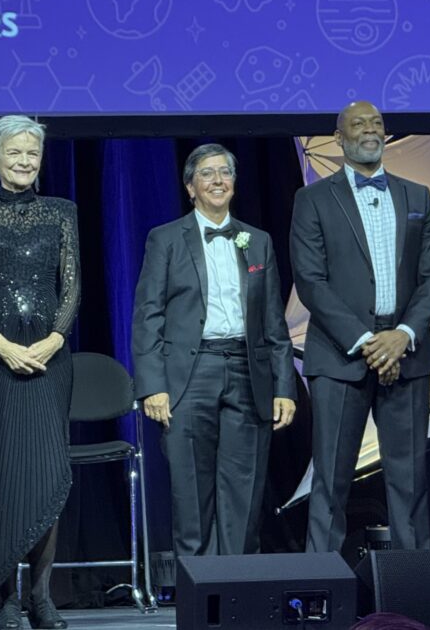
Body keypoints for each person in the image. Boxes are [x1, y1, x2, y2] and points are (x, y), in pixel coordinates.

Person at [290, 100, 430, 554]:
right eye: (358, 124)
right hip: (340, 356)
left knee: (410, 479)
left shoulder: (416, 195)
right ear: (339, 137)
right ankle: (322, 592)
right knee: (331, 479)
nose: (369, 130)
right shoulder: (313, 198)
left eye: (376, 123)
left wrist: (402, 336)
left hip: (408, 352)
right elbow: (310, 280)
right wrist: (367, 342)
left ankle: (415, 585)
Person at [132, 143, 297, 557]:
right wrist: (152, 386)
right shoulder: (166, 239)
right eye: (207, 173)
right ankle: (197, 599)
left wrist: (284, 386)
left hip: (247, 370)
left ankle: (238, 594)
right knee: (190, 492)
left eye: (225, 172)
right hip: (190, 373)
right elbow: (147, 315)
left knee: (243, 492)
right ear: (190, 187)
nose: (218, 180)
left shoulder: (256, 241)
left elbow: (274, 320)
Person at [0, 115, 80, 630]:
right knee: (5, 477)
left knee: (48, 475)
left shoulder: (61, 211)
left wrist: (53, 340)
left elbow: (72, 286)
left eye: (32, 153)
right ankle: (8, 598)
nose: (25, 162)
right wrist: (2, 345)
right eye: (15, 153)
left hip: (51, 361)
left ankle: (42, 598)